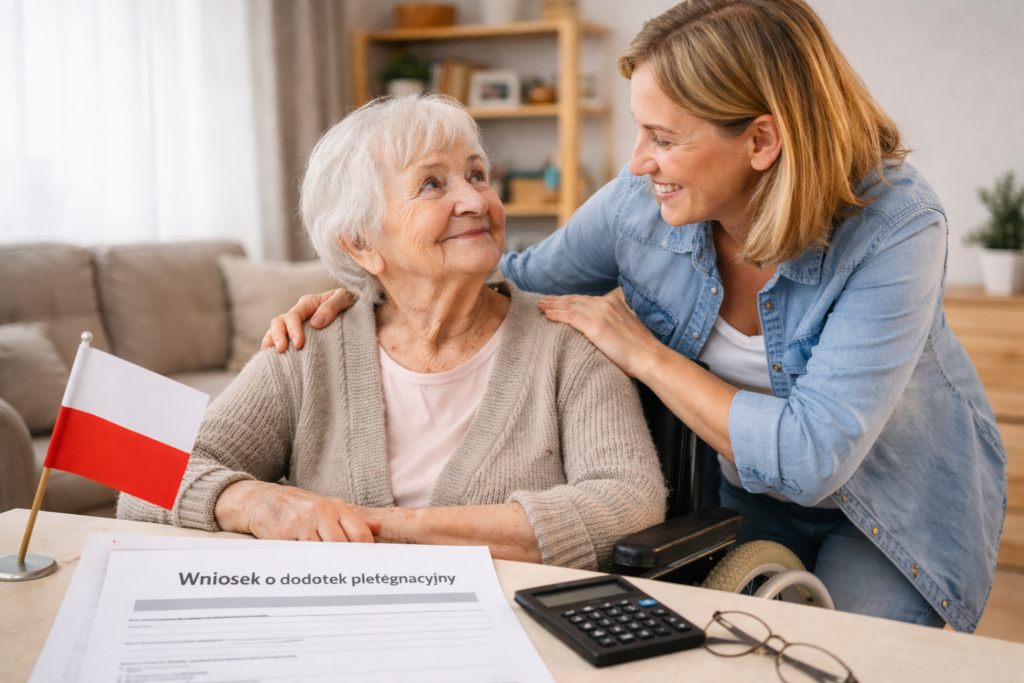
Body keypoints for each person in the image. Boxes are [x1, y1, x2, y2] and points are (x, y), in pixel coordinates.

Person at [264, 0, 1007, 633]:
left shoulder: (896, 224)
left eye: (663, 137)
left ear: (760, 140)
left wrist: (647, 354)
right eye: (639, 131)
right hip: (740, 489)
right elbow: (506, 283)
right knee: (723, 646)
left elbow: (813, 456)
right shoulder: (636, 209)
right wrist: (367, 293)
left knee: (850, 654)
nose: (637, 162)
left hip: (889, 496)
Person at [118, 94, 667, 572]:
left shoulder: (567, 344)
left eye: (477, 175)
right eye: (432, 184)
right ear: (360, 243)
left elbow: (628, 503)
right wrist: (258, 504)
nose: (475, 200)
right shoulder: (314, 346)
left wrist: (387, 527)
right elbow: (142, 477)